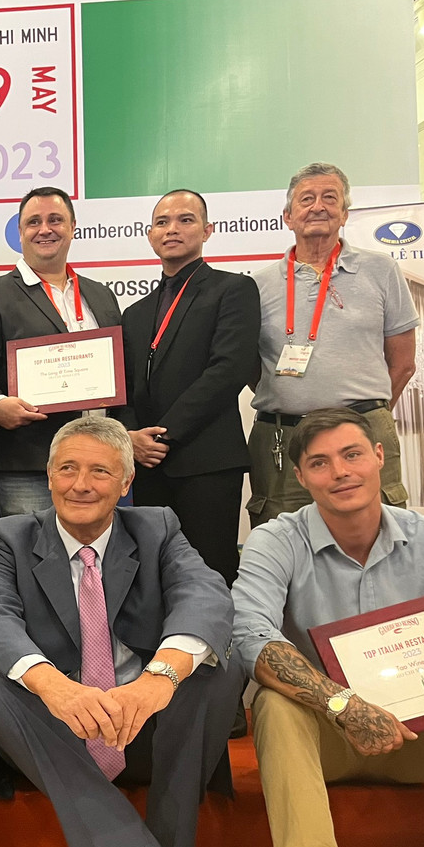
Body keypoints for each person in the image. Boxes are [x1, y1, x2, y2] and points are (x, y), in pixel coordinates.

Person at [0, 416, 244, 847]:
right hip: (63, 732)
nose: (81, 484)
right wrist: (53, 684)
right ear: (48, 476)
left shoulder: (158, 527)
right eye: (67, 469)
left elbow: (207, 596)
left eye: (100, 471)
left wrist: (157, 680)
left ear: (125, 483)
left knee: (220, 667)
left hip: (144, 725)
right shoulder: (7, 537)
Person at [232, 407, 424, 847]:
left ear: (379, 457)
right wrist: (343, 705)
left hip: (421, 738)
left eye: (352, 454)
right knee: (275, 703)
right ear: (301, 476)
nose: (340, 472)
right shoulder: (276, 539)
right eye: (320, 463)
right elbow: (250, 636)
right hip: (326, 741)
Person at [247, 163, 418, 527]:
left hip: (364, 431)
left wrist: (367, 414)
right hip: (282, 437)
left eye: (330, 198)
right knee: (283, 537)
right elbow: (249, 365)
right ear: (288, 217)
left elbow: (403, 363)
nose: (318, 207)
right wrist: (291, 396)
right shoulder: (257, 285)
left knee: (377, 534)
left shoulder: (382, 270)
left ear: (344, 214)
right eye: (306, 199)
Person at [117, 190, 260, 587]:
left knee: (209, 574)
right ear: (149, 235)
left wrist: (162, 435)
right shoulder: (135, 313)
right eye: (162, 222)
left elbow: (228, 371)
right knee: (154, 576)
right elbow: (123, 386)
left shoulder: (233, 290)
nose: (172, 229)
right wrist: (131, 437)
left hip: (206, 460)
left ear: (207, 230)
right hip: (147, 463)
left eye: (185, 220)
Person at [0, 186, 121, 517]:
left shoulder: (101, 295)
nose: (45, 229)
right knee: (33, 548)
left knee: (94, 548)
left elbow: (120, 371)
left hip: (100, 460)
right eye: (34, 222)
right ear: (20, 232)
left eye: (55, 220)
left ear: (72, 227)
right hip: (29, 463)